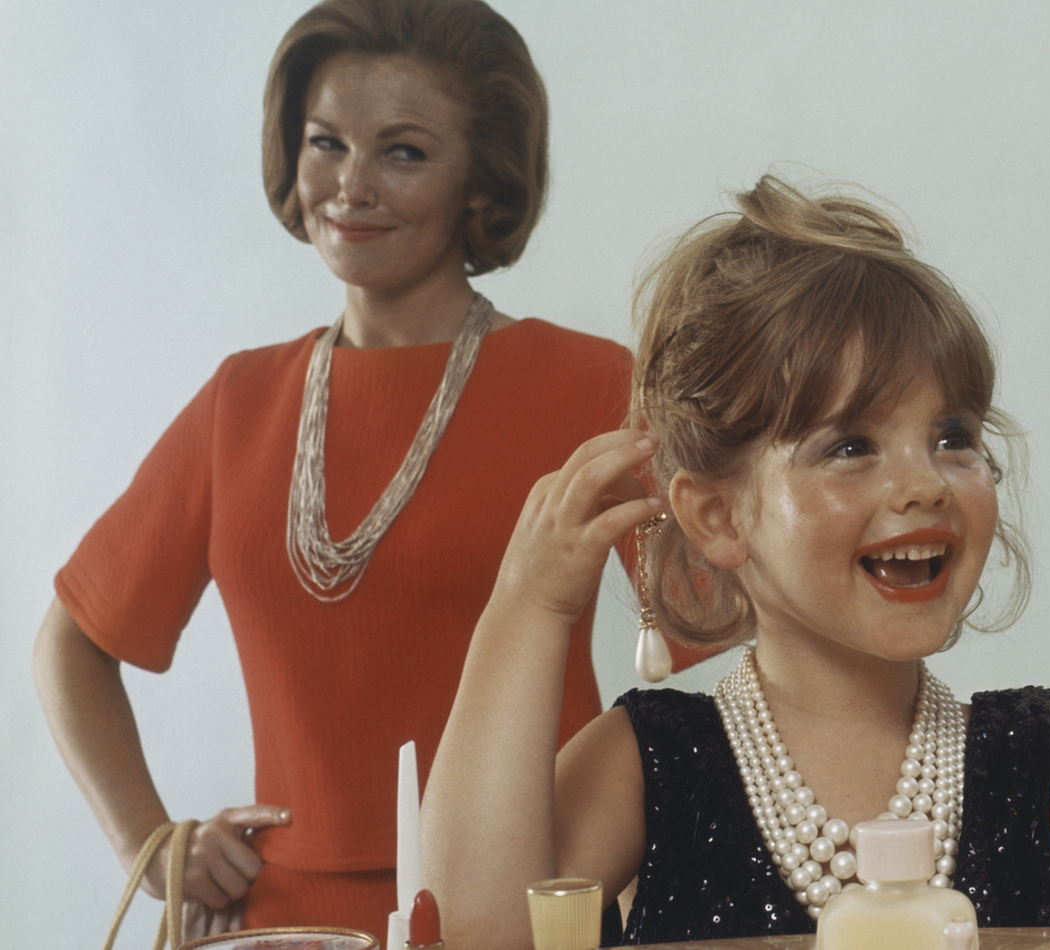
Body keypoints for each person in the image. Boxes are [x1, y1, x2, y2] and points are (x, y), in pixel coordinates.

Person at [423, 175, 1050, 948]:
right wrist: (529, 609)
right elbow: (481, 928)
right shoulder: (653, 764)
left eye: (952, 437)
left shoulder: (1037, 758)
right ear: (719, 518)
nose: (925, 484)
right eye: (852, 445)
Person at [30, 0, 696, 939]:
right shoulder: (239, 403)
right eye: (326, 143)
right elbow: (71, 642)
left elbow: (731, 611)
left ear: (482, 178)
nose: (350, 186)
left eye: (403, 152)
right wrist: (153, 843)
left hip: (518, 908)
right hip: (282, 925)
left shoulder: (587, 385)